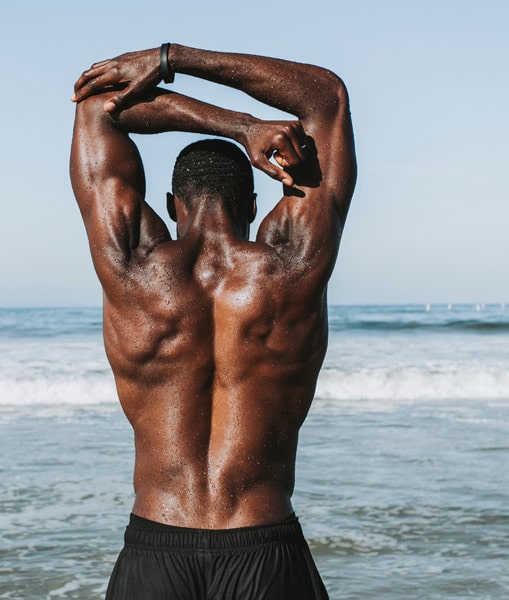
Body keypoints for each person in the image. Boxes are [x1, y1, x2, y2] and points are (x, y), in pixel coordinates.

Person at [70, 43, 356, 600]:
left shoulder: (131, 266)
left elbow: (97, 104)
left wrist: (236, 127)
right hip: (264, 547)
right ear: (254, 206)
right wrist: (174, 58)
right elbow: (327, 98)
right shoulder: (292, 264)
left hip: (156, 545)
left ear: (174, 205)